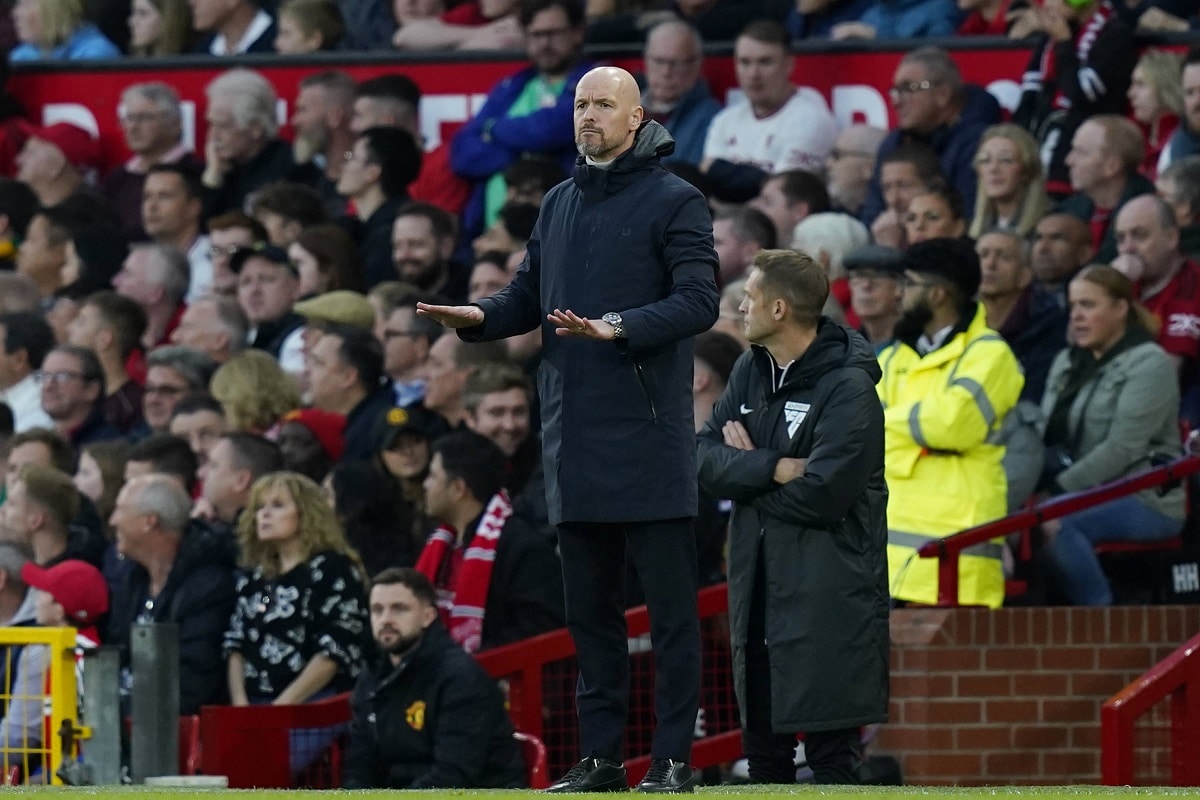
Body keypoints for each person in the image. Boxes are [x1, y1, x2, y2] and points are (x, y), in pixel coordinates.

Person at [417, 65, 718, 793]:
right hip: (574, 436)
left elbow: (700, 301)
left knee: (673, 618)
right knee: (591, 619)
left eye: (602, 104)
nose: (588, 115)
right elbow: (529, 297)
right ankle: (604, 758)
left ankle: (675, 760)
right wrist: (483, 318)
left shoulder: (677, 199)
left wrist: (617, 327)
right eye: (581, 104)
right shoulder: (557, 201)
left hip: (648, 436)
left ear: (637, 115)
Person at [696, 249, 888, 784]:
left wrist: (745, 474)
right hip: (757, 590)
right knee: (766, 763)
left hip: (827, 597)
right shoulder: (749, 368)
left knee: (831, 763)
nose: (737, 309)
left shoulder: (849, 388)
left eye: (749, 298)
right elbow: (702, 459)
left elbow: (825, 497)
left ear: (779, 309)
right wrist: (773, 467)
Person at [878, 237, 1024, 609]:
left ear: (938, 293)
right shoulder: (895, 357)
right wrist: (915, 429)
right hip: (887, 555)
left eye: (908, 284)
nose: (898, 294)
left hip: (958, 546)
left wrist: (888, 424)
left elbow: (954, 425)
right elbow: (858, 425)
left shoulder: (991, 354)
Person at [1039, 265, 1185, 605]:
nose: (1076, 316)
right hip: (1080, 489)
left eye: (1088, 305)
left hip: (1144, 497)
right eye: (1073, 306)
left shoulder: (1150, 363)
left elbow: (1124, 448)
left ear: (1120, 309)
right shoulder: (1066, 362)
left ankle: (1103, 621)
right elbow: (1044, 434)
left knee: (1056, 524)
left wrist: (1054, 491)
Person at [342, 567, 525, 790]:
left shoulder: (459, 677)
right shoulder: (372, 676)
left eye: (399, 609)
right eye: (377, 610)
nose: (385, 619)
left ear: (428, 616)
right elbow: (359, 766)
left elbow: (454, 775)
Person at [223, 471, 367, 706]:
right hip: (253, 705)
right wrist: (241, 707)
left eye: (278, 506)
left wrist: (280, 709)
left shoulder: (333, 568)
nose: (265, 514)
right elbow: (235, 644)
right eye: (259, 507)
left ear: (306, 514)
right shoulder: (254, 575)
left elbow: (335, 648)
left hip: (314, 704)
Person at [105, 474, 237, 713]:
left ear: (149, 522)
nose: (113, 521)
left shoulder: (209, 586)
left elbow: (193, 683)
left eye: (121, 510)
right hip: (129, 720)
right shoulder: (134, 578)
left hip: (174, 731)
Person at [700, 19, 837, 204]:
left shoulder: (810, 119)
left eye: (765, 62)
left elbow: (781, 198)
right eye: (745, 63)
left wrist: (723, 174)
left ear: (789, 64)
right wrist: (758, 179)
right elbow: (707, 182)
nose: (754, 74)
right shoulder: (725, 120)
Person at [638, 20, 719, 167]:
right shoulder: (622, 109)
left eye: (676, 63)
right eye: (658, 61)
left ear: (697, 65)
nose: (666, 72)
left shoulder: (712, 120)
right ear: (646, 61)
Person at [967, 124, 1051, 240]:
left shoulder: (1048, 226)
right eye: (985, 160)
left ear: (1027, 170)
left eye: (1005, 160)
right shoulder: (976, 229)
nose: (993, 169)